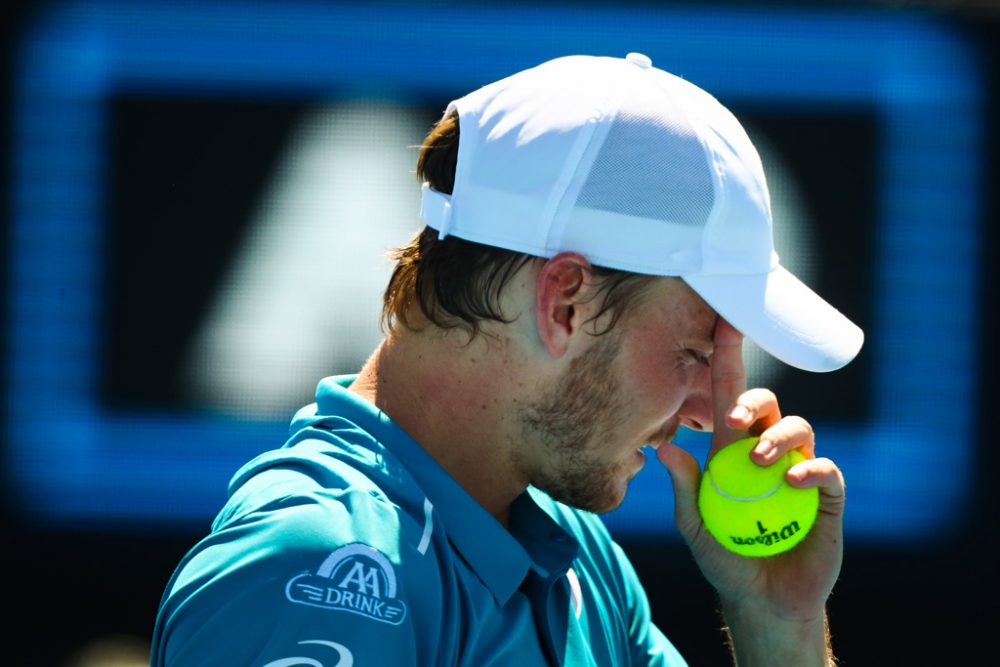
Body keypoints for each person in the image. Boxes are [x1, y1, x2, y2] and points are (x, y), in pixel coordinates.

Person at [151, 52, 863, 666]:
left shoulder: (584, 563)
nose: (711, 414)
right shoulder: (318, 571)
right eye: (693, 351)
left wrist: (779, 626)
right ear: (566, 304)